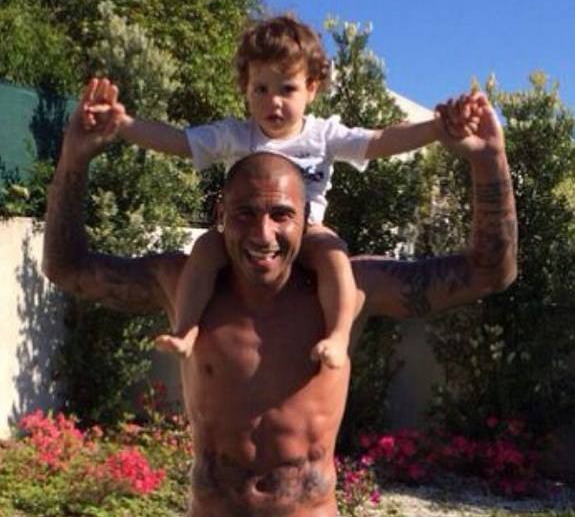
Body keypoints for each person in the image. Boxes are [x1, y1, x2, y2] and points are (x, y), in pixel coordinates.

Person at [44, 78, 517, 517]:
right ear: (220, 214)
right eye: (245, 214)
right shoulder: (185, 283)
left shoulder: (349, 290)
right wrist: (75, 158)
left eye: (281, 214)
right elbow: (66, 268)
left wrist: (488, 159)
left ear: (307, 219)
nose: (263, 233)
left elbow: (488, 273)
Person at [81, 15, 480, 369]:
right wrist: (124, 125)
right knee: (204, 247)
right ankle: (186, 330)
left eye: (287, 89)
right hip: (241, 236)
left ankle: (338, 336)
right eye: (261, 89)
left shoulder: (323, 135)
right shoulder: (235, 135)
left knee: (336, 255)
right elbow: (178, 141)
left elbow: (379, 141)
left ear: (312, 89)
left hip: (306, 233)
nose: (273, 102)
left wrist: (435, 128)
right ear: (245, 88)